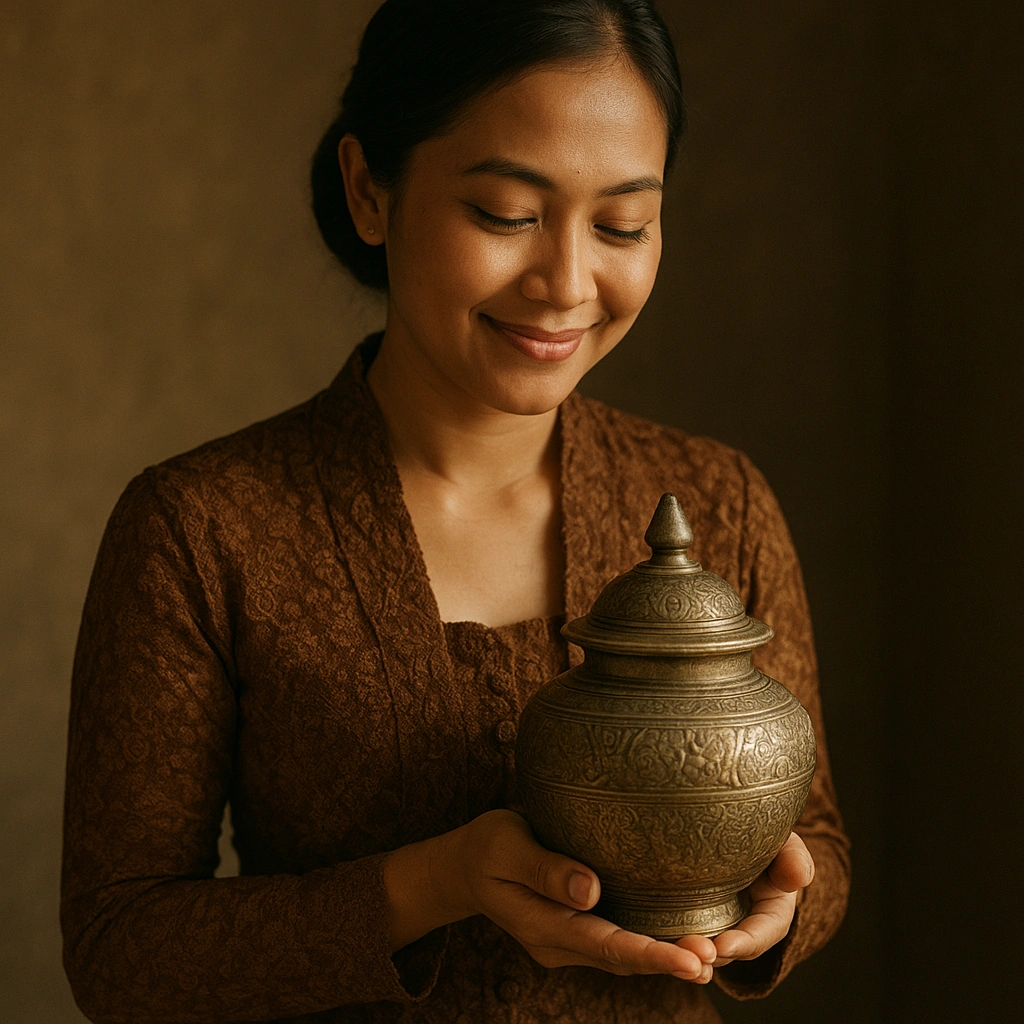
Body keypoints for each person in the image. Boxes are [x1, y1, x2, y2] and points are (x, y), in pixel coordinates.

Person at [61, 1, 850, 1022]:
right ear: (369, 188)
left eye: (623, 224)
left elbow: (817, 839)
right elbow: (121, 949)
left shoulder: (716, 499)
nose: (567, 282)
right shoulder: (202, 528)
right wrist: (430, 885)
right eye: (505, 214)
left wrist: (777, 908)